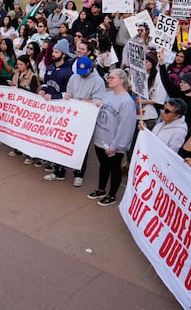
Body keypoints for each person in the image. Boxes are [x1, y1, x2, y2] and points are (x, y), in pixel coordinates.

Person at [44, 56, 106, 185]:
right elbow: (69, 92)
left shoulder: (98, 81)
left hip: (85, 119)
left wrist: (82, 101)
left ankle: (79, 174)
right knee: (62, 143)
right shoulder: (74, 77)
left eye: (85, 72)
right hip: (71, 116)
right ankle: (59, 171)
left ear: (91, 68)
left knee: (81, 147)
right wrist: (68, 95)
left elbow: (98, 101)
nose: (82, 75)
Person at [87, 69, 136, 206]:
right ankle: (101, 189)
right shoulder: (108, 95)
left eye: (112, 78)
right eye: (108, 77)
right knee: (103, 166)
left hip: (113, 143)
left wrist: (117, 145)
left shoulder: (127, 102)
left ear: (121, 80)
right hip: (101, 139)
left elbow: (126, 126)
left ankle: (112, 195)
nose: (108, 79)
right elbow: (97, 104)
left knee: (114, 168)